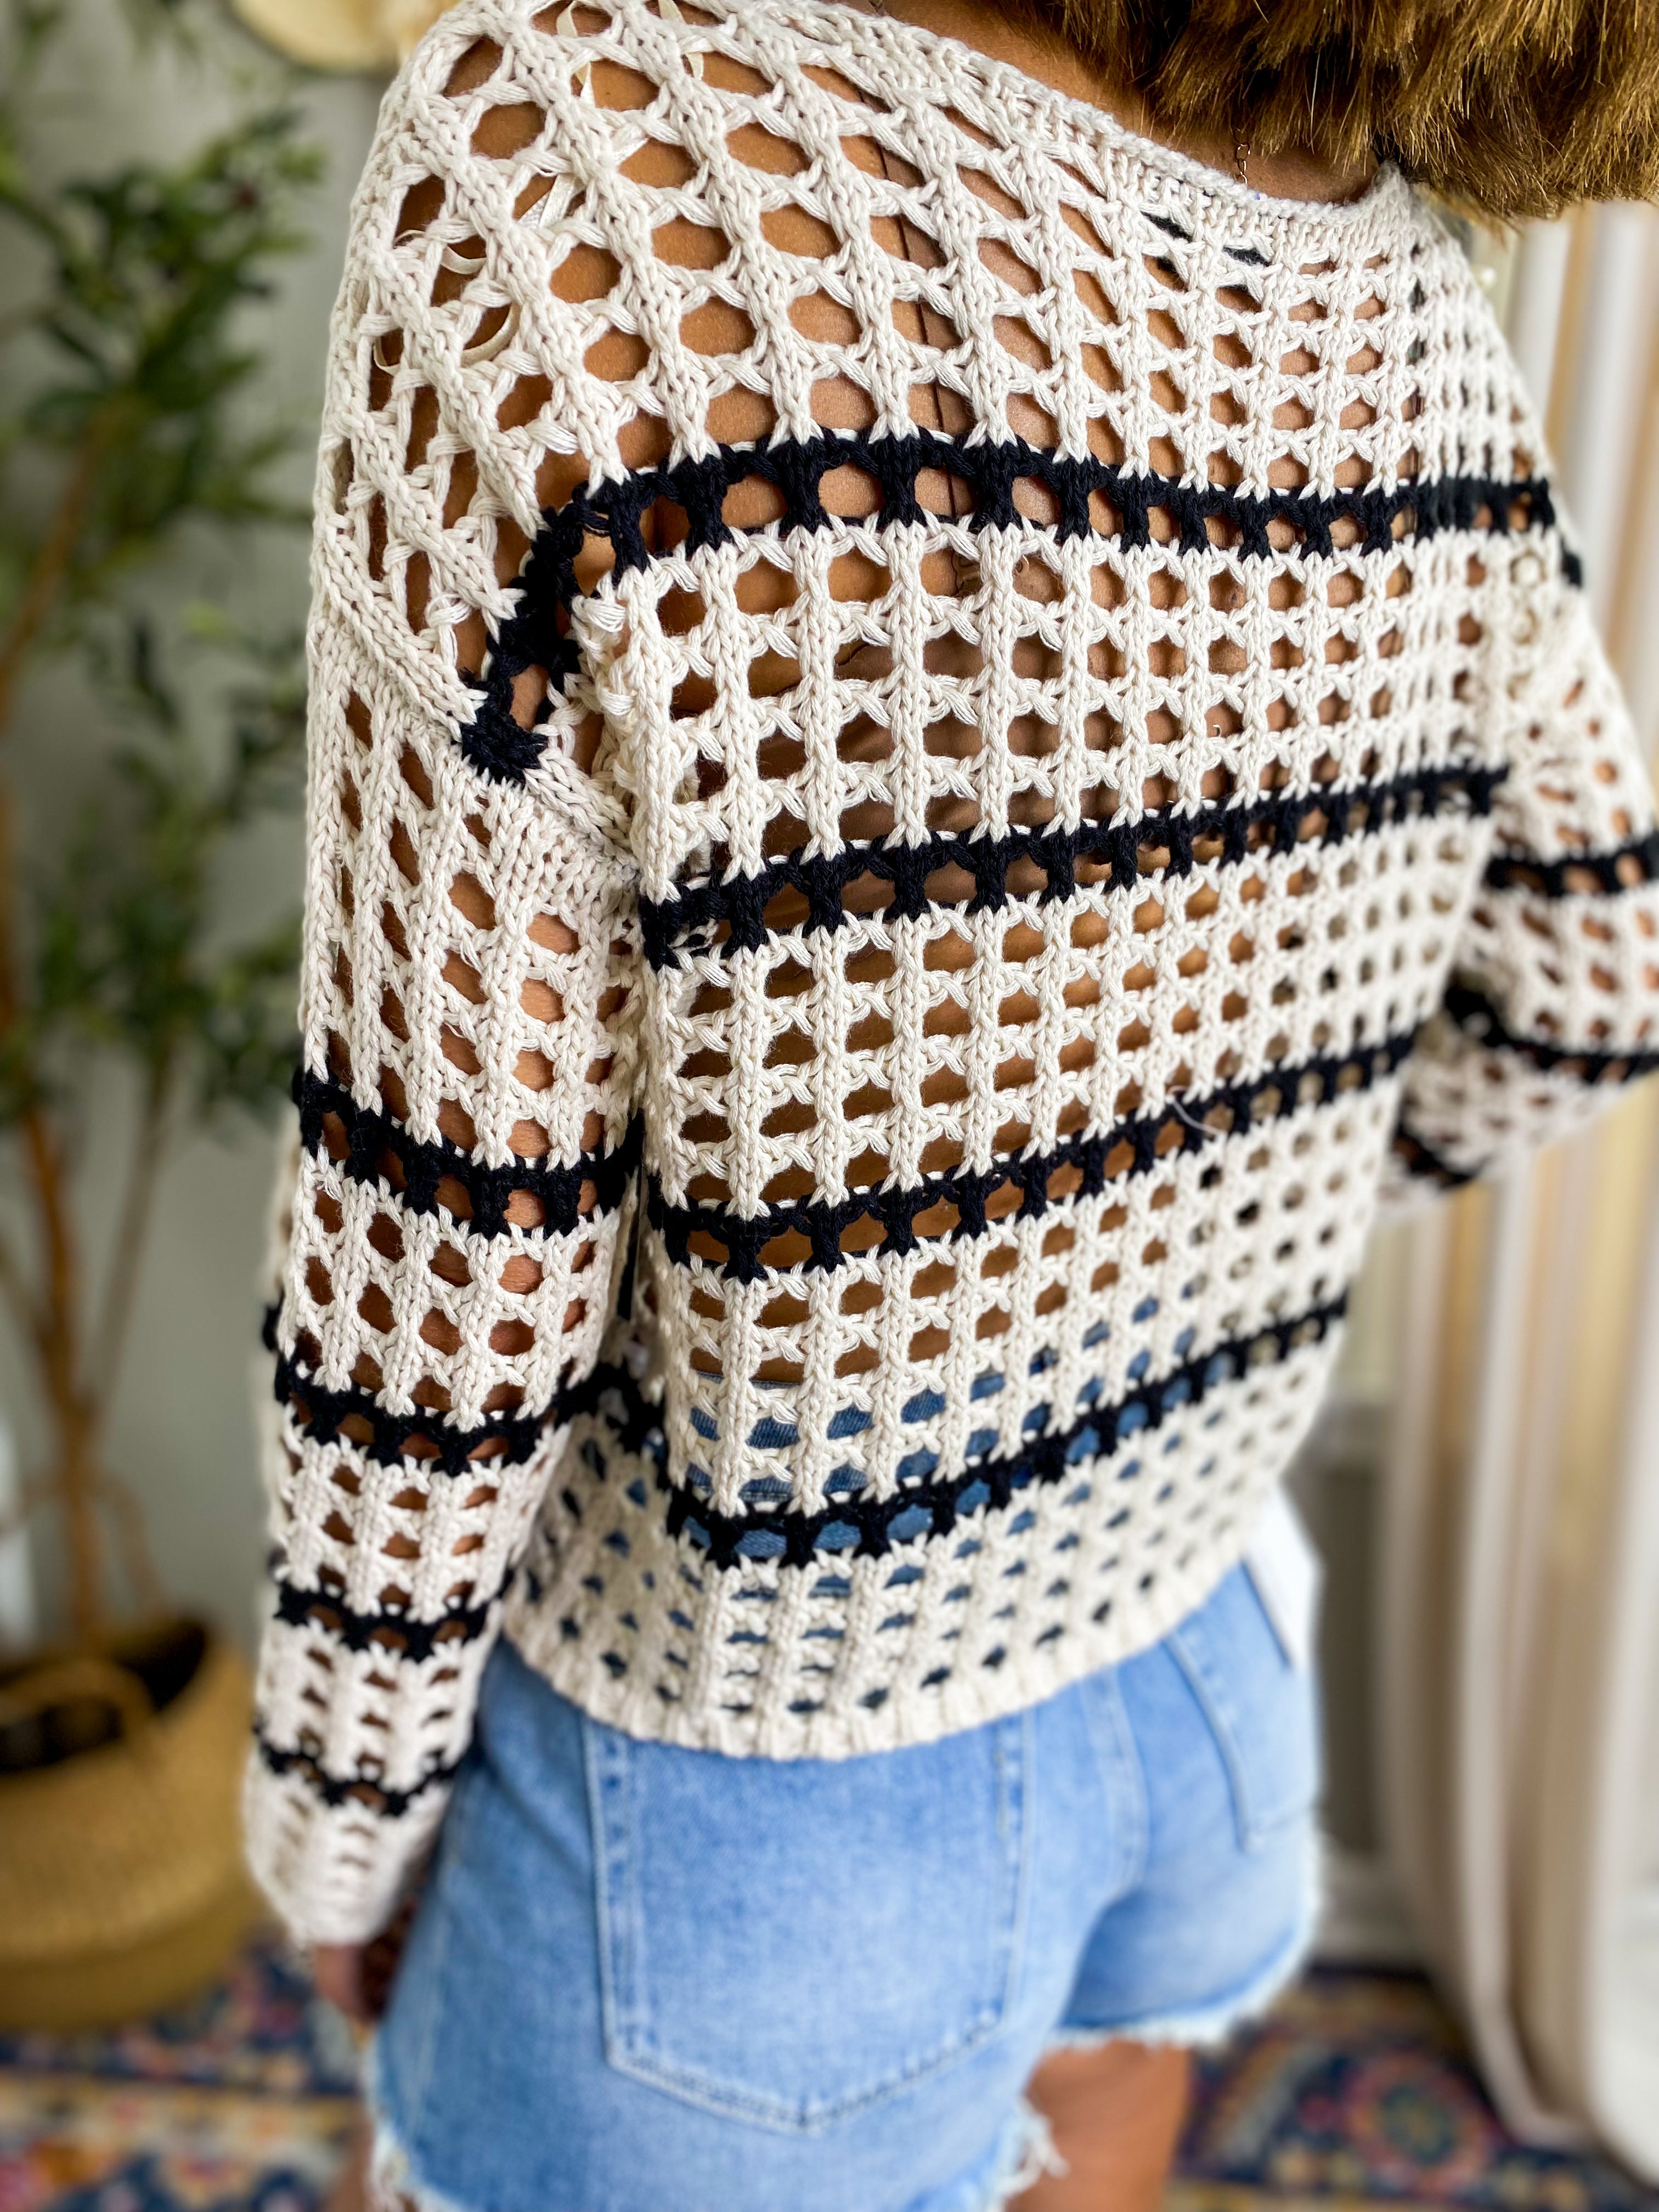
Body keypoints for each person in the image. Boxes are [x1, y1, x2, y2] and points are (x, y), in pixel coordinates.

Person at [244, 0, 1659, 2205]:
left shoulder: (586, 147)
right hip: (1191, 1684)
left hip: (742, 1798)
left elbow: (452, 1248)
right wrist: (1176, 1218)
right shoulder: (1401, 288)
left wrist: (337, 1827)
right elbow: (1596, 967)